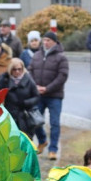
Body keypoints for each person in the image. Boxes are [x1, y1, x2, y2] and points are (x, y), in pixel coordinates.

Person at [27, 30, 69, 160]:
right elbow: (30, 71)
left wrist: (48, 88)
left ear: (54, 42)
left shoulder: (61, 57)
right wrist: (36, 87)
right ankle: (42, 140)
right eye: (44, 40)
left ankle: (53, 149)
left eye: (48, 40)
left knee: (54, 123)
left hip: (55, 95)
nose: (45, 42)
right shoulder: (37, 55)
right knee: (35, 121)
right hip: (38, 95)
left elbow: (62, 76)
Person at [0, 58, 40, 137]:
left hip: (25, 116)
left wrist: (26, 103)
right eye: (14, 69)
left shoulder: (29, 80)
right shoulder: (5, 80)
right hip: (10, 115)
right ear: (10, 69)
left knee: (25, 140)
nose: (17, 72)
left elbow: (36, 96)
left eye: (19, 69)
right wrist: (1, 80)